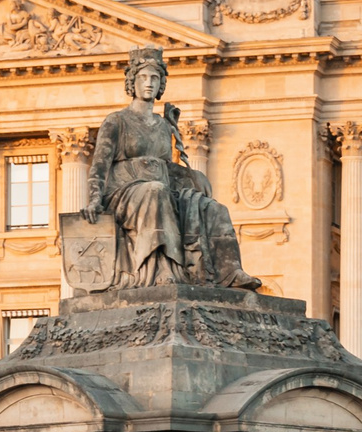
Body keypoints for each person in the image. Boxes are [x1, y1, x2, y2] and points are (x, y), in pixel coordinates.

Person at [83, 46, 258, 290]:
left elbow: (165, 167)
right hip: (124, 195)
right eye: (143, 77)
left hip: (160, 189)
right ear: (132, 82)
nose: (149, 83)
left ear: (161, 85)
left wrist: (192, 175)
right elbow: (99, 165)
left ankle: (229, 272)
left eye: (155, 78)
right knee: (155, 192)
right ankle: (163, 270)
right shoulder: (117, 121)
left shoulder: (163, 126)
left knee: (213, 207)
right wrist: (93, 200)